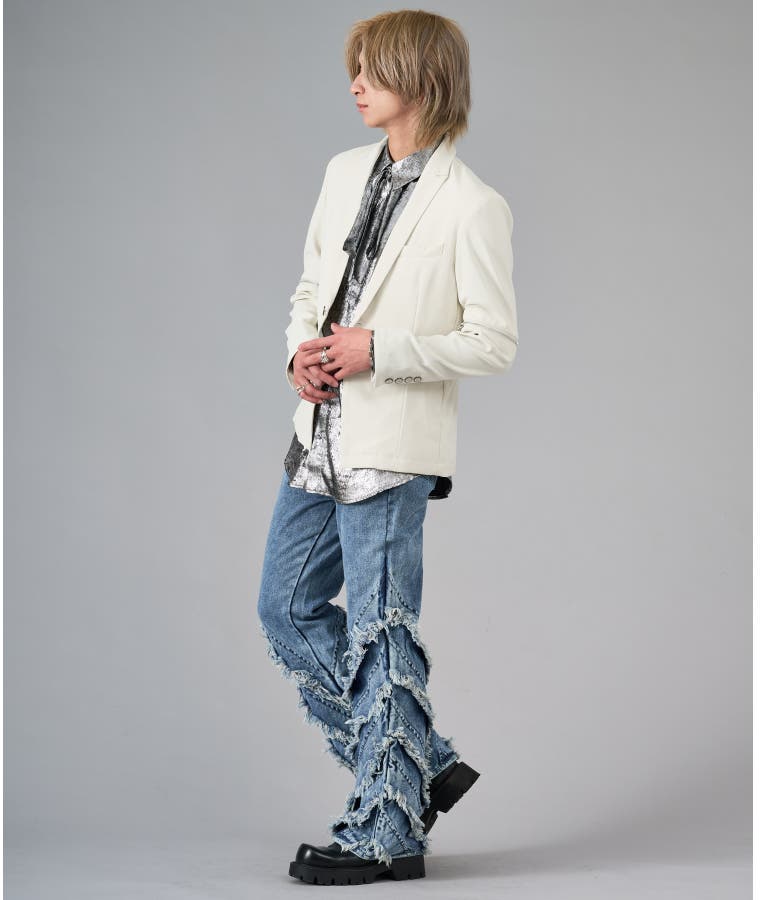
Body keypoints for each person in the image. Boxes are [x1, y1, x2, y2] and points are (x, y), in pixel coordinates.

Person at [257, 9, 518, 886]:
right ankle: (422, 764)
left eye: (372, 68)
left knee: (377, 629)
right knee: (285, 609)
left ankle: (388, 832)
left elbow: (493, 342)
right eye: (355, 67)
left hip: (393, 445)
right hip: (318, 434)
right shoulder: (342, 172)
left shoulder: (473, 206)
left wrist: (383, 351)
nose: (355, 83)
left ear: (422, 79)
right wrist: (299, 351)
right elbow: (310, 287)